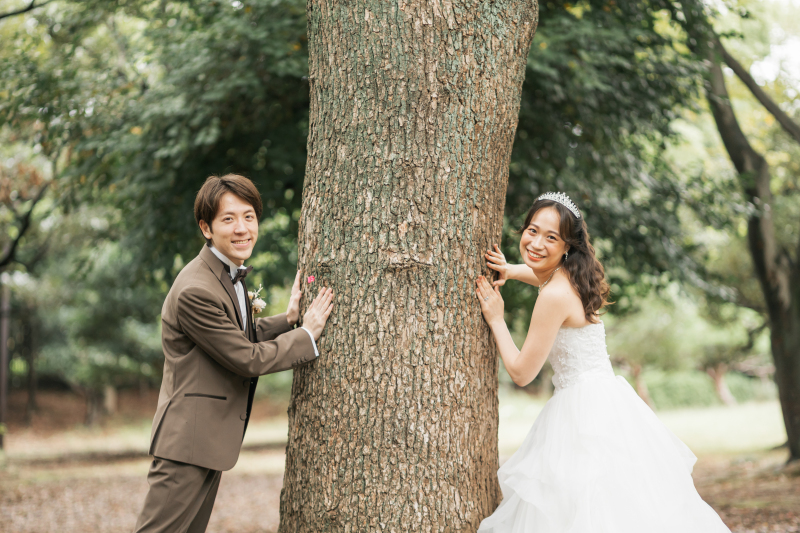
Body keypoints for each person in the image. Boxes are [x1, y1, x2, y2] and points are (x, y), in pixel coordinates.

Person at [474, 192, 731, 532]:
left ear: (567, 246)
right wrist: (511, 269)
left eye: (551, 237)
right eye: (532, 230)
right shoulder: (572, 276)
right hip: (607, 401)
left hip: (581, 412)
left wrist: (496, 319)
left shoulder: (554, 295)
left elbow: (521, 373)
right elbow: (541, 274)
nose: (536, 243)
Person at [133, 174, 334, 533]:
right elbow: (246, 357)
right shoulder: (197, 289)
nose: (242, 228)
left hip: (205, 440)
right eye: (228, 219)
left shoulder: (224, 273)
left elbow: (237, 335)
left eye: (249, 216)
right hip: (187, 445)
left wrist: (288, 320)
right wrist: (306, 335)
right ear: (206, 228)